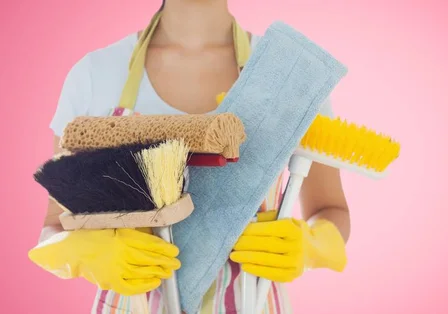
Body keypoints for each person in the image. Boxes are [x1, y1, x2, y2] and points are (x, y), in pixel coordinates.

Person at [28, 0, 350, 313]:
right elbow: (53, 227)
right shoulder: (95, 76)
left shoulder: (288, 77)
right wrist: (87, 253)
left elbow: (330, 209)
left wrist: (309, 246)